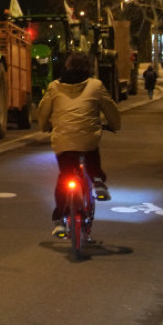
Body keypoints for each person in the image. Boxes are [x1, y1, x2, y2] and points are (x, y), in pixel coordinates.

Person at [38, 51, 121, 238]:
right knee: (90, 147)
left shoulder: (54, 87)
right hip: (88, 139)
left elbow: (43, 113)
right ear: (89, 67)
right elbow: (110, 109)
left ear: (67, 65)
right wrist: (115, 125)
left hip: (63, 141)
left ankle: (60, 220)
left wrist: (45, 126)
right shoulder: (96, 85)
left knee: (64, 176)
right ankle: (98, 181)